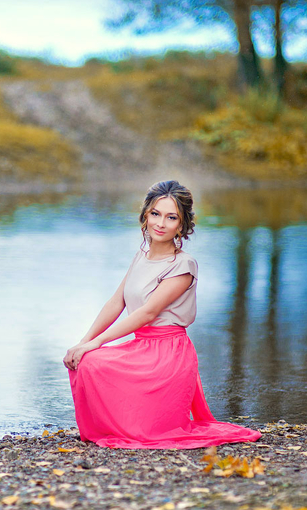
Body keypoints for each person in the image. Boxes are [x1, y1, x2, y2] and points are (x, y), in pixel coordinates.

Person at [63, 180, 262, 449]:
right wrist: (84, 342)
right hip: (141, 347)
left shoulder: (183, 265)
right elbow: (116, 302)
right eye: (156, 214)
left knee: (94, 361)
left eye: (171, 217)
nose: (160, 223)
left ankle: (133, 426)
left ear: (181, 225)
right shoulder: (141, 256)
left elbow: (148, 313)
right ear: (146, 215)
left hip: (168, 355)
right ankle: (114, 426)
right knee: (85, 359)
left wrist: (97, 343)